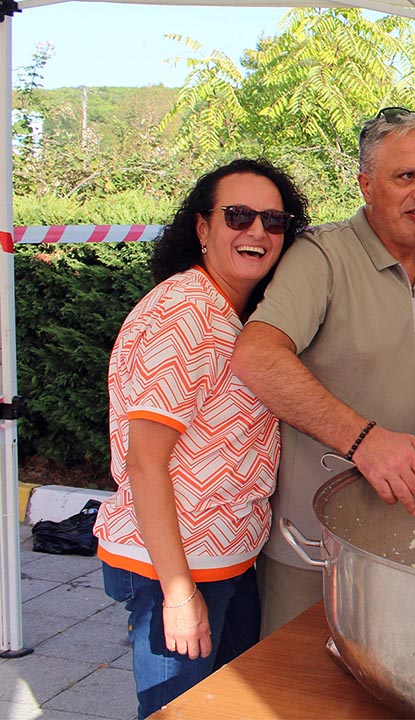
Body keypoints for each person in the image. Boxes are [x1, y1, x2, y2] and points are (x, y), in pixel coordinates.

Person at [230, 108, 415, 636]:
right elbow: (256, 356)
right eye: (406, 176)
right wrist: (364, 440)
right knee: (298, 693)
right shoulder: (319, 256)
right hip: (315, 541)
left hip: (411, 533)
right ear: (366, 184)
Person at [94, 158, 309, 718]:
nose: (257, 231)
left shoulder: (234, 314)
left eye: (274, 220)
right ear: (202, 228)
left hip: (226, 561)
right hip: (175, 568)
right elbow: (145, 462)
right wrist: (178, 594)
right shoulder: (184, 312)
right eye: (237, 215)